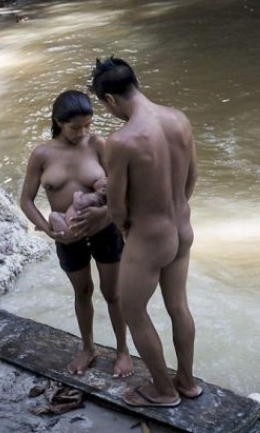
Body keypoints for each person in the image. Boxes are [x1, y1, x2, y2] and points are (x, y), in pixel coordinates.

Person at [91, 56, 200, 408]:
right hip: (182, 226)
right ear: (134, 83)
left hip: (151, 236)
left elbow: (118, 206)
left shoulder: (121, 141)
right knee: (178, 305)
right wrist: (174, 209)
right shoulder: (179, 119)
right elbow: (192, 178)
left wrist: (127, 230)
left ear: (110, 99)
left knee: (132, 310)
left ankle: (164, 392)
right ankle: (186, 382)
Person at [20, 90, 134, 378]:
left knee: (114, 294)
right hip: (68, 237)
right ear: (58, 122)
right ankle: (88, 348)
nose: (82, 132)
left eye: (88, 125)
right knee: (82, 291)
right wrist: (48, 230)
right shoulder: (42, 154)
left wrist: (105, 214)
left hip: (105, 231)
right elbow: (27, 200)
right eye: (75, 127)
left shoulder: (98, 145)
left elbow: (123, 193)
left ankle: (122, 351)